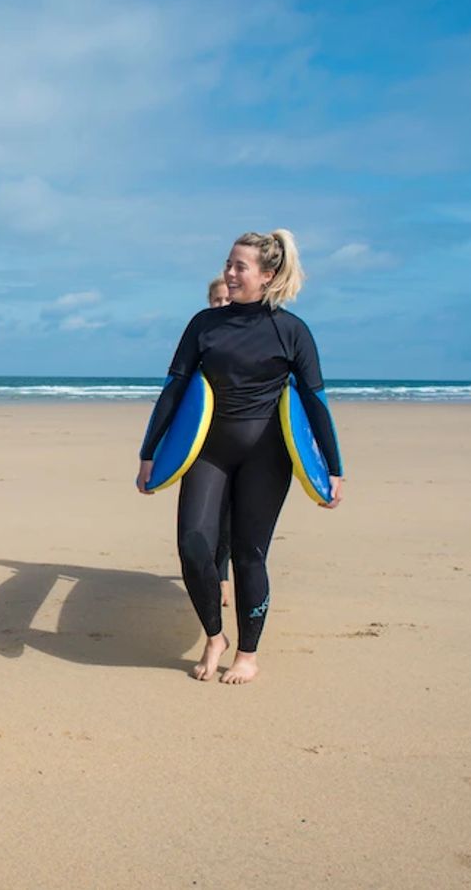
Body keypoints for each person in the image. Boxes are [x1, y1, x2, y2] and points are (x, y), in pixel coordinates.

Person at [137, 230, 343, 685]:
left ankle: (247, 653)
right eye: (229, 264)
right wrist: (149, 452)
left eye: (239, 267)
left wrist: (333, 467)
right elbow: (174, 390)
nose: (229, 273)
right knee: (193, 545)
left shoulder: (291, 331)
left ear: (267, 276)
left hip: (266, 456)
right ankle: (215, 636)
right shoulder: (203, 325)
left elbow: (314, 400)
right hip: (209, 450)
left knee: (250, 555)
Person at [205, 277, 234, 609]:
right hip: (207, 440)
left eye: (227, 300)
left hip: (241, 441)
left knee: (228, 515)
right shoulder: (204, 337)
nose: (222, 305)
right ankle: (215, 573)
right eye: (216, 300)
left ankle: (222, 575)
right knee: (210, 514)